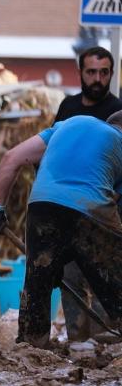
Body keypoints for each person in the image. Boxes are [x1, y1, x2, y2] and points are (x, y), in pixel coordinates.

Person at [0, 114, 122, 348]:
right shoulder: (118, 140)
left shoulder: (65, 126)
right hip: (91, 209)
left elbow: (11, 158)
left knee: (37, 284)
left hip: (42, 204)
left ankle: (30, 347)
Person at [51, 46, 120, 342]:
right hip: (67, 205)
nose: (97, 79)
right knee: (70, 273)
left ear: (111, 75)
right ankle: (78, 339)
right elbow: (51, 152)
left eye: (104, 73)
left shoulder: (118, 112)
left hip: (107, 207)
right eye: (91, 72)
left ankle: (109, 337)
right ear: (80, 73)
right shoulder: (67, 108)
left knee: (108, 271)